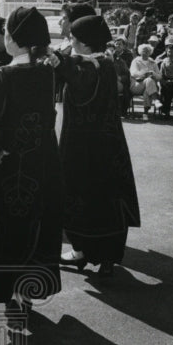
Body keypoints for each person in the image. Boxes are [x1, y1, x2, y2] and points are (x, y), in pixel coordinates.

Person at [0, 6, 62, 326]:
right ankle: (28, 291)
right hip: (42, 163)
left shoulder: (2, 76)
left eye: (6, 32)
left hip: (9, 168)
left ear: (15, 40)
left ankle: (12, 297)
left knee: (9, 228)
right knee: (35, 224)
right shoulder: (46, 72)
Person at [52, 15, 140, 278]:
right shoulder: (103, 63)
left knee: (83, 196)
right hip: (108, 145)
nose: (70, 42)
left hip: (85, 147)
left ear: (84, 42)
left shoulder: (97, 65)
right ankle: (104, 259)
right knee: (106, 199)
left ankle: (85, 252)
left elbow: (81, 82)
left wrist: (60, 62)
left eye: (73, 38)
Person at [129, 43, 162, 118]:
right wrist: (144, 74)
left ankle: (145, 113)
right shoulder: (136, 61)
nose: (145, 52)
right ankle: (156, 100)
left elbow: (159, 76)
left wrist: (153, 74)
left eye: (147, 51)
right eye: (143, 50)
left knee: (148, 87)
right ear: (140, 51)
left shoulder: (153, 62)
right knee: (149, 81)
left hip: (149, 86)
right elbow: (133, 73)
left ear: (150, 52)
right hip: (137, 85)